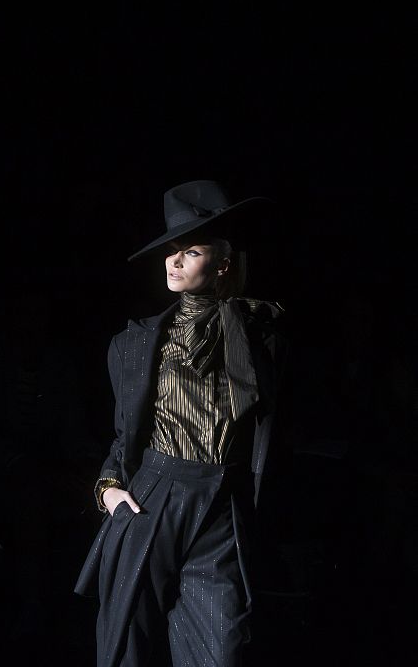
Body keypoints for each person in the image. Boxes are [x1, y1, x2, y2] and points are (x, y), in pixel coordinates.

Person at [75, 180, 288, 667]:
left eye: (190, 251)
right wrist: (108, 487)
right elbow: (126, 431)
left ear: (223, 261)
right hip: (155, 497)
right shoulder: (136, 344)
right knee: (130, 643)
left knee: (222, 648)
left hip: (221, 506)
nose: (173, 262)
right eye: (170, 253)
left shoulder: (259, 334)